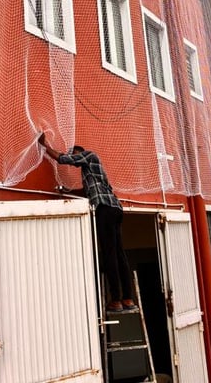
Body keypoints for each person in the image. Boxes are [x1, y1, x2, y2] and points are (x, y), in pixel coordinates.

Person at [38, 132, 137, 313]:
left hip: (105, 209)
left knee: (109, 253)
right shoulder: (92, 173)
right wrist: (66, 191)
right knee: (119, 253)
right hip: (115, 208)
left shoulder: (89, 156)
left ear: (80, 153)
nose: (73, 156)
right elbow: (87, 192)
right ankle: (128, 298)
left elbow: (63, 159)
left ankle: (116, 299)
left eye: (74, 153)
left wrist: (45, 146)